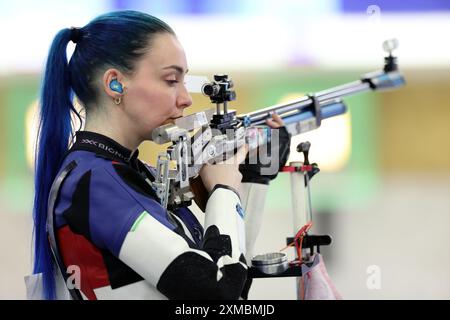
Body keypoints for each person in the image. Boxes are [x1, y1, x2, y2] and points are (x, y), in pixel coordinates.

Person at [28, 10, 290, 300]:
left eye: (184, 81)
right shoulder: (97, 181)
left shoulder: (129, 175)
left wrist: (251, 179)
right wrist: (223, 191)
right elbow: (216, 292)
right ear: (115, 83)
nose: (186, 98)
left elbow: (234, 280)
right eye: (170, 80)